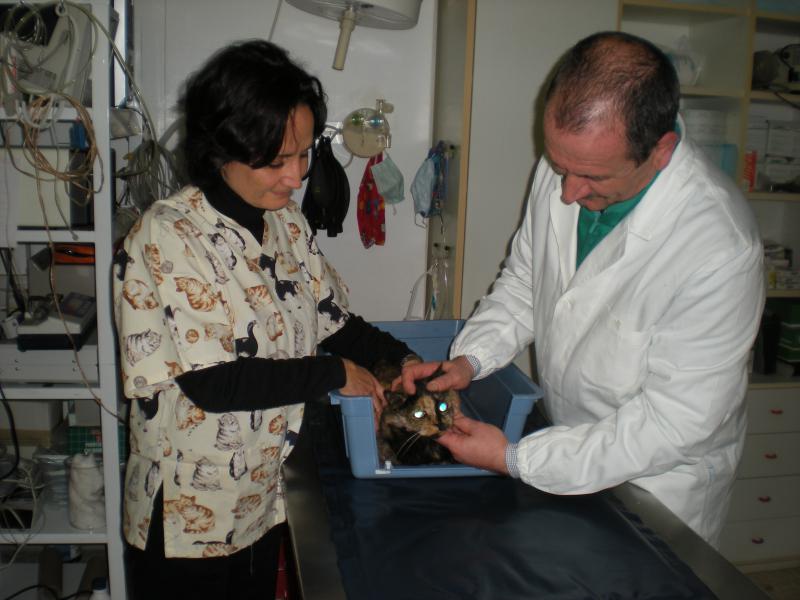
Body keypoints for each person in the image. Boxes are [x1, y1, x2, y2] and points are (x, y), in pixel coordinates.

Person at [401, 31, 765, 547]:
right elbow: (526, 282)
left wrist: (516, 459)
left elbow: (675, 423)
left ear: (661, 151)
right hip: (565, 440)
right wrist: (470, 360)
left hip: (658, 482)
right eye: (558, 167)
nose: (567, 192)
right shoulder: (572, 164)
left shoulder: (719, 246)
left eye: (590, 177)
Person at [114, 40, 419, 599]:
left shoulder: (285, 223)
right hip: (189, 515)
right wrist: (334, 374)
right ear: (221, 149)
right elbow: (213, 382)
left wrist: (403, 359)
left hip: (260, 498)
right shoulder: (168, 236)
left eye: (303, 155)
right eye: (276, 161)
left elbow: (332, 319)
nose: (296, 176)